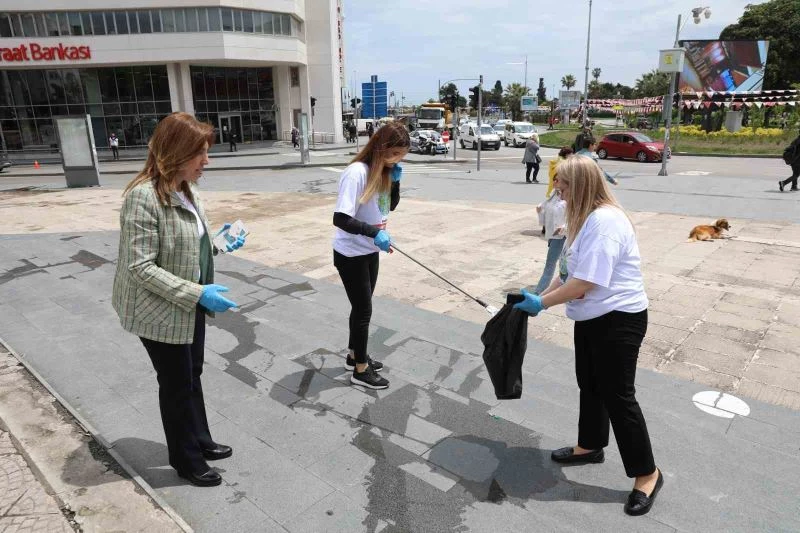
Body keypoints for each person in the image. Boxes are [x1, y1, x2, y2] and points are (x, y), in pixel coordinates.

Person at [513, 155, 661, 517]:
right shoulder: (580, 219)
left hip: (619, 320)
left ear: (580, 185)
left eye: (562, 183)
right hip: (593, 317)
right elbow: (566, 273)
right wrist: (541, 294)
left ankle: (648, 473)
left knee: (619, 396)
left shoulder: (606, 222)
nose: (557, 189)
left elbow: (586, 282)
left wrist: (543, 305)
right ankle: (591, 445)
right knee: (590, 384)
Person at [112, 112, 246, 488]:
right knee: (175, 383)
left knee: (193, 374)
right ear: (177, 152)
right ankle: (185, 459)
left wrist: (217, 243)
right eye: (200, 153)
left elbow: (187, 248)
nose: (208, 161)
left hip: (189, 304)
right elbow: (140, 267)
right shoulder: (143, 198)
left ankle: (199, 439)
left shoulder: (188, 189)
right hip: (158, 309)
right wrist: (198, 292)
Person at [332, 121, 409, 390]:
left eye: (402, 155)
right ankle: (361, 371)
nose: (397, 159)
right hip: (350, 253)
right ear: (381, 147)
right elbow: (340, 218)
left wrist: (396, 183)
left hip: (369, 251)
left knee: (360, 307)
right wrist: (372, 233)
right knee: (364, 310)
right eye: (395, 154)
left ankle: (354, 356)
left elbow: (391, 206)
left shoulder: (384, 172)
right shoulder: (356, 173)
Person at [533, 179, 567, 294]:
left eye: (557, 180)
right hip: (554, 235)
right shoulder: (553, 193)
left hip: (562, 236)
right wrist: (540, 209)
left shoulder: (569, 197)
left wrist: (563, 229)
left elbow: (576, 217)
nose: (554, 182)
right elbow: (545, 206)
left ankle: (538, 293)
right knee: (561, 265)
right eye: (554, 179)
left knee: (550, 265)